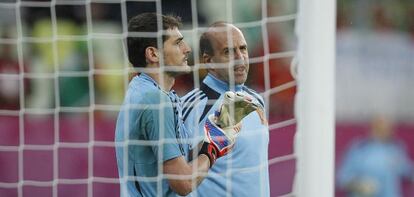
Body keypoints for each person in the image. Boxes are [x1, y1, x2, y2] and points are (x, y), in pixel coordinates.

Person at [115, 13, 257, 197]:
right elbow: (183, 183)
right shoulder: (155, 100)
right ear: (153, 54)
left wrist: (217, 130)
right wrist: (213, 146)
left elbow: (178, 162)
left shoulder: (144, 90)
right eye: (178, 43)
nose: (187, 49)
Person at [182, 22, 270, 197]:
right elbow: (178, 177)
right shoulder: (193, 106)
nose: (240, 57)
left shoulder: (256, 99)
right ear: (209, 61)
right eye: (228, 51)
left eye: (243, 49)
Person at [337, 115, 414, 197]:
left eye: (388, 128)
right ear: (372, 128)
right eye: (380, 127)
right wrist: (359, 185)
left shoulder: (396, 149)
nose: (385, 131)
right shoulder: (359, 148)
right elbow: (342, 178)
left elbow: (408, 171)